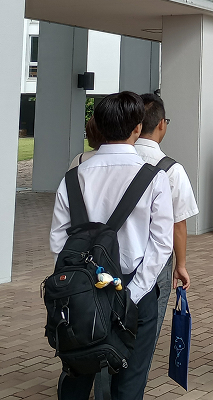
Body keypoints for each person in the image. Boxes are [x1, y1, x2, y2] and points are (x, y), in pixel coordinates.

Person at [49, 91, 174, 400]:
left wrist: (77, 283)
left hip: (81, 290)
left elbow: (58, 241)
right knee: (129, 384)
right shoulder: (154, 178)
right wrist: (132, 293)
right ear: (137, 128)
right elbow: (161, 244)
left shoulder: (73, 177)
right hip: (134, 288)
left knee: (77, 373)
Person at [134, 93, 200, 342]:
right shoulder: (172, 169)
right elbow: (178, 224)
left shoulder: (113, 161)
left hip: (113, 254)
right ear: (161, 123)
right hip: (155, 259)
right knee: (146, 334)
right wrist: (180, 265)